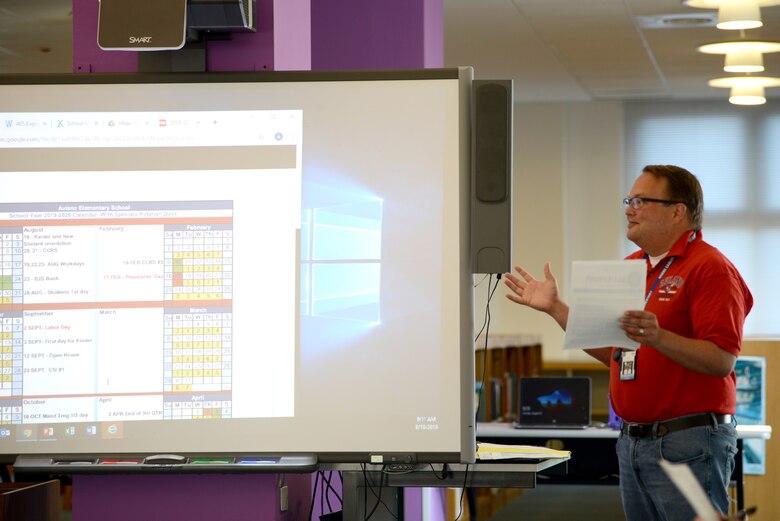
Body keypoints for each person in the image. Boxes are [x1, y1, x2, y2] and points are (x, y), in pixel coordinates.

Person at [504, 165, 753, 521]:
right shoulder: (631, 267)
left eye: (641, 200)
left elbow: (722, 360)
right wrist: (556, 309)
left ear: (677, 211)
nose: (628, 209)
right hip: (632, 441)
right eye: (628, 200)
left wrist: (658, 336)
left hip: (688, 443)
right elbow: (617, 355)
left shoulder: (710, 268)